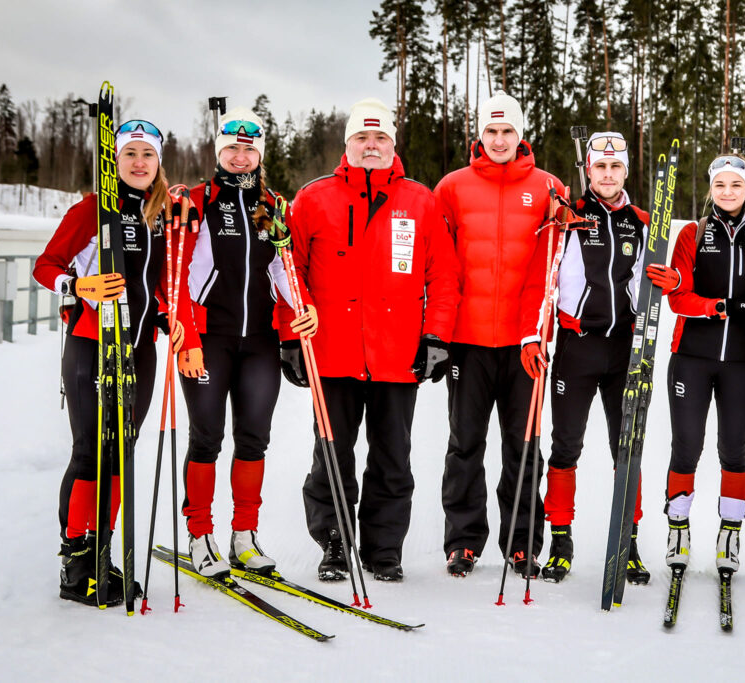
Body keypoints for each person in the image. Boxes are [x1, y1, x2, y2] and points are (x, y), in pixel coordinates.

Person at [285, 98, 459, 582]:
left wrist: (437, 337)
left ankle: (384, 549)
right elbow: (289, 272)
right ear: (347, 144)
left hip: (396, 355)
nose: (371, 146)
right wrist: (288, 337)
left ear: (392, 144)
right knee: (331, 456)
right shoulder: (314, 198)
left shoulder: (421, 201)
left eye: (380, 138)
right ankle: (335, 543)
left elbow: (443, 276)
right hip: (332, 352)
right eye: (362, 138)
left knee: (391, 459)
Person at [34, 119, 198, 605]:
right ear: (115, 160)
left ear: (159, 163)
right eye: (130, 154)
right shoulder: (92, 209)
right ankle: (75, 561)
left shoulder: (161, 212)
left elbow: (162, 279)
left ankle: (102, 553)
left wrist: (169, 315)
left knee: (121, 452)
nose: (140, 163)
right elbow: (46, 265)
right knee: (90, 451)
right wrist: (78, 287)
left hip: (140, 347)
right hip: (91, 343)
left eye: (148, 155)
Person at [180, 107, 316, 578]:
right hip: (208, 339)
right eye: (233, 149)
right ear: (220, 151)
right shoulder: (198, 201)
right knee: (206, 437)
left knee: (254, 438)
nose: (241, 157)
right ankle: (200, 534)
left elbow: (283, 269)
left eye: (249, 149)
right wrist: (185, 333)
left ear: (260, 154)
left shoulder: (272, 205)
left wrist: (301, 308)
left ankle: (244, 535)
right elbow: (177, 273)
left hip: (258, 339)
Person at [435, 91, 566, 578]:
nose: (499, 140)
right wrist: (438, 332)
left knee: (523, 443)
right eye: (490, 131)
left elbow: (555, 270)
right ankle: (463, 542)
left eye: (507, 131)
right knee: (464, 443)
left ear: (520, 134)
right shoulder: (451, 187)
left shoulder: (549, 187)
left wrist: (540, 332)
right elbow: (439, 265)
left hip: (523, 342)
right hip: (467, 341)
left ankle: (521, 542)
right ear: (479, 135)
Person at [647, 153, 745, 581]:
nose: (727, 192)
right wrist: (722, 307)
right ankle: (678, 530)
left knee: (734, 451)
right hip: (692, 358)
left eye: (736, 185)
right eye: (720, 185)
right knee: (686, 446)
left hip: (743, 363)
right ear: (711, 189)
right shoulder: (693, 233)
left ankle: (730, 534)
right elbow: (678, 297)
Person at [540, 131, 666, 584]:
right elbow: (547, 278)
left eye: (615, 167)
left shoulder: (642, 221)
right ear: (588, 170)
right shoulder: (569, 216)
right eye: (599, 167)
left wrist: (662, 282)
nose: (607, 174)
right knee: (565, 445)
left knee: (625, 447)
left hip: (624, 349)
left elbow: (647, 285)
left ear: (625, 171)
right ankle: (560, 539)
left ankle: (627, 542)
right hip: (576, 347)